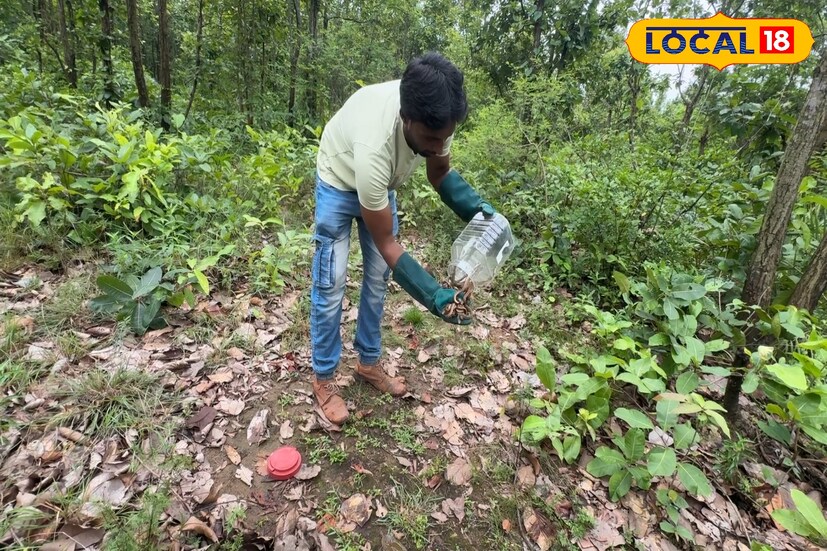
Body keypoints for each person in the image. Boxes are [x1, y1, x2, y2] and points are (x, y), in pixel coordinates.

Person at [310, 52, 496, 424]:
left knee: (377, 281)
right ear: (405, 119)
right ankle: (324, 379)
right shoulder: (375, 148)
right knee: (330, 285)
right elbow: (388, 243)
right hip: (340, 178)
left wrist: (479, 211)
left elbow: (439, 173)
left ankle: (368, 363)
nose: (437, 144)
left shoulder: (435, 118)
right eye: (430, 138)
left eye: (444, 136)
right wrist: (432, 295)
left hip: (380, 187)